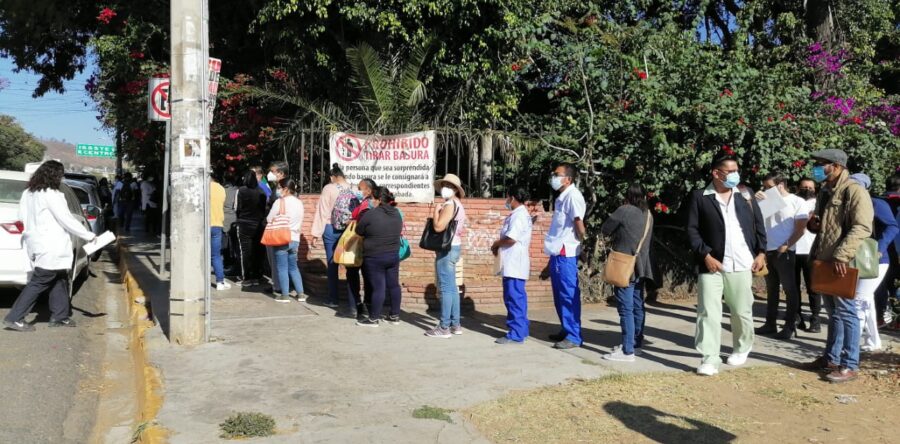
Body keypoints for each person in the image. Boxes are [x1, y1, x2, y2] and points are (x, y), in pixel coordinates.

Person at [686, 153, 767, 376]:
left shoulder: (745, 195)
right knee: (708, 312)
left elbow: (759, 225)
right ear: (716, 173)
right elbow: (692, 230)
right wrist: (705, 255)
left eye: (736, 171)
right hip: (712, 264)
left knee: (741, 311)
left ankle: (742, 347)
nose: (735, 175)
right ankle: (709, 358)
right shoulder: (700, 197)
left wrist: (761, 253)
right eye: (730, 171)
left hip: (742, 262)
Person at [801, 149, 873, 384]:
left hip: (842, 261)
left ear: (838, 166)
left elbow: (862, 227)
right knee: (833, 313)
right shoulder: (825, 190)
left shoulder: (854, 190)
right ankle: (830, 359)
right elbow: (824, 226)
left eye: (822, 163)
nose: (817, 168)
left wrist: (842, 256)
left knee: (847, 312)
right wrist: (813, 225)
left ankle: (849, 364)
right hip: (824, 259)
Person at [3, 160, 97, 332]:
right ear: (56, 176)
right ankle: (14, 318)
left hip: (35, 243)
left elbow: (21, 217)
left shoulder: (28, 193)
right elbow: (66, 219)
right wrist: (89, 236)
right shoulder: (53, 194)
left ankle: (60, 316)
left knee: (59, 279)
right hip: (52, 245)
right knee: (40, 280)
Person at [600, 182, 655, 361]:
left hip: (624, 265)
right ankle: (636, 344)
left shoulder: (624, 210)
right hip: (641, 267)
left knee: (625, 309)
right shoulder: (649, 215)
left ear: (628, 196)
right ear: (644, 196)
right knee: (638, 306)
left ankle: (627, 350)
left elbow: (605, 229)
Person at [754, 173, 808, 340]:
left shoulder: (797, 201)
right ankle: (770, 323)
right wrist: (754, 201)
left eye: (769, 187)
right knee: (771, 288)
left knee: (789, 289)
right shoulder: (764, 200)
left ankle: (789, 326)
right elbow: (754, 220)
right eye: (765, 187)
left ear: (780, 185)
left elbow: (801, 229)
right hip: (767, 250)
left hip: (785, 251)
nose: (766, 190)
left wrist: (787, 245)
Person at [848, 173, 897, 352]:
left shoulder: (875, 203)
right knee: (866, 298)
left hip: (876, 259)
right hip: (856, 258)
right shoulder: (847, 203)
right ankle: (873, 341)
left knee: (859, 299)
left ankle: (850, 345)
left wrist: (880, 248)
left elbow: (893, 226)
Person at [543, 164, 587, 350]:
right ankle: (566, 328)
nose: (554, 177)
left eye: (557, 174)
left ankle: (574, 336)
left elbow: (578, 222)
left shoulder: (573, 196)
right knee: (559, 295)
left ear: (568, 179)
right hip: (557, 252)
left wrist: (583, 243)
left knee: (568, 294)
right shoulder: (562, 197)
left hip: (566, 253)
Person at [425, 174, 468, 338]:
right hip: (455, 247)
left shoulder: (449, 204)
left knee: (445, 289)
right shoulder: (459, 204)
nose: (444, 188)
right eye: (443, 185)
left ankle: (444, 327)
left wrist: (436, 212)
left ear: (456, 189)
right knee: (452, 288)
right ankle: (455, 324)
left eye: (449, 186)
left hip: (446, 249)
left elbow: (438, 227)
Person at [355, 187, 403, 327]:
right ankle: (394, 316)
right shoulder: (396, 213)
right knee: (394, 285)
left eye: (372, 198)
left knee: (378, 288)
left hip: (375, 257)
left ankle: (373, 319)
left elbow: (359, 230)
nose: (370, 201)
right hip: (393, 255)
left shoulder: (370, 214)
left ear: (378, 199)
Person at [491, 185, 534, 344]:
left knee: (514, 299)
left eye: (508, 197)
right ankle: (521, 329)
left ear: (513, 198)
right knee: (516, 298)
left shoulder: (519, 216)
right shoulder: (519, 214)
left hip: (515, 264)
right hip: (513, 263)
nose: (507, 200)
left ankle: (516, 334)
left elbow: (511, 239)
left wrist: (496, 243)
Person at [311, 164, 357, 309]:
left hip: (330, 227)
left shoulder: (329, 188)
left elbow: (322, 211)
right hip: (349, 229)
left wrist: (315, 234)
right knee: (350, 264)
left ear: (333, 177)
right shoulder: (354, 188)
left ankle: (333, 299)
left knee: (332, 264)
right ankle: (353, 301)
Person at [267, 178, 307, 303]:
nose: (278, 190)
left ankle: (285, 295)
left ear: (286, 189)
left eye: (279, 187)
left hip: (282, 238)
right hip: (295, 238)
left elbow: (269, 218)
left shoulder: (279, 202)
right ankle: (301, 294)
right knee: (293, 267)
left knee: (282, 268)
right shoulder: (299, 203)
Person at [346, 178, 377, 321]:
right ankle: (363, 305)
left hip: (361, 245)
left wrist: (353, 222)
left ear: (369, 190)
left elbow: (363, 225)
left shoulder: (367, 205)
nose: (357, 191)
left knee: (354, 274)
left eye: (360, 188)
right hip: (367, 245)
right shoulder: (368, 203)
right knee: (366, 275)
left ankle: (358, 306)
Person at [793, 178, 822, 333]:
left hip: (811, 251)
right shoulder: (792, 202)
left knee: (813, 287)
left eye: (810, 187)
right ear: (798, 188)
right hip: (793, 248)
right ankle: (797, 317)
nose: (807, 190)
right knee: (793, 286)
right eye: (804, 187)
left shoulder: (819, 204)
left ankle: (815, 318)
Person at [874, 172, 900, 327]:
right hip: (894, 248)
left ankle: (880, 316)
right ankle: (897, 319)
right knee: (895, 284)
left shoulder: (878, 201)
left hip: (882, 247)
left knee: (881, 283)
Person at [234, 170, 267, 287]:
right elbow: (264, 209)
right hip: (258, 225)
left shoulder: (241, 190)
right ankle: (256, 277)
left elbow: (237, 208)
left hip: (244, 224)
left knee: (245, 252)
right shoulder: (261, 191)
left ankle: (246, 278)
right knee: (257, 251)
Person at [263, 162, 290, 295]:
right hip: (279, 227)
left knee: (275, 259)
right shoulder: (280, 187)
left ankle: (278, 286)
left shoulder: (282, 189)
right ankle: (277, 284)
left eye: (273, 171)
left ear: (281, 173)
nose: (270, 174)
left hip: (277, 227)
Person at [210, 173, 230, 291]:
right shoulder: (221, 189)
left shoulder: (202, 187)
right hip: (217, 224)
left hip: (203, 226)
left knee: (202, 254)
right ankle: (220, 282)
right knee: (216, 255)